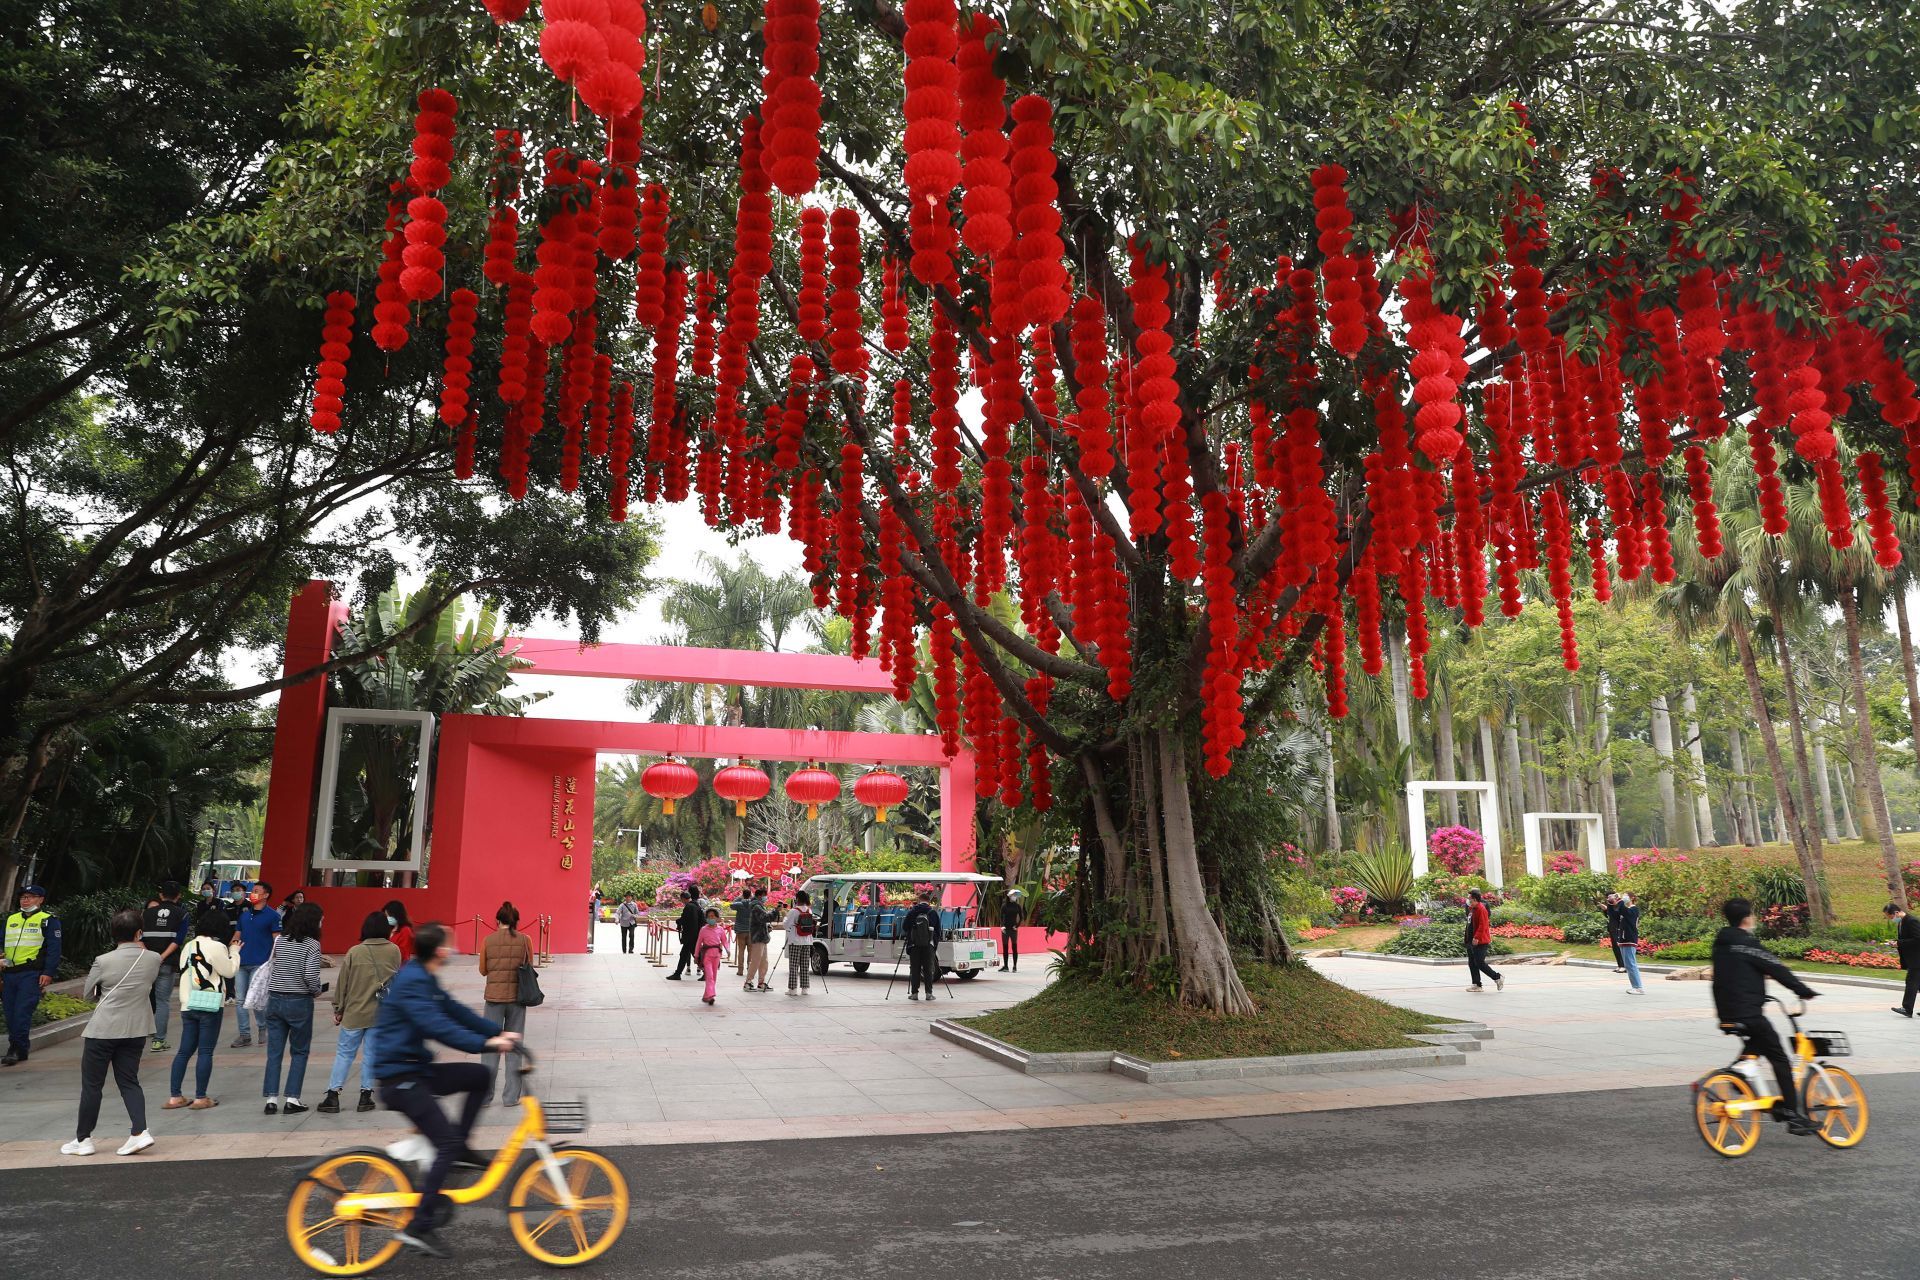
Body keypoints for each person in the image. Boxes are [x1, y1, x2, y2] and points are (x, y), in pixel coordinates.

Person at [373, 922, 518, 1259]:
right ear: (440, 951)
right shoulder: (413, 981)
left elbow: (456, 1012)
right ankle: (419, 1226)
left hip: (415, 1070)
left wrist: (497, 1032)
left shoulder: (424, 976)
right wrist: (487, 1043)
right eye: (449, 943)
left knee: (479, 1076)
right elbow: (437, 1027)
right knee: (445, 1142)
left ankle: (460, 1149)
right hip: (399, 1078)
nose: (453, 947)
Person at [1711, 897, 1819, 1135]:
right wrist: (1802, 990)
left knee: (1757, 1042)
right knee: (1779, 1056)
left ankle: (1738, 1073)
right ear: (1747, 918)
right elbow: (1776, 968)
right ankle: (1793, 1115)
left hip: (1726, 1012)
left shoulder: (1721, 943)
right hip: (1748, 1011)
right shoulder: (1748, 944)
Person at [62, 909, 160, 1157]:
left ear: (113, 934)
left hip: (103, 1030)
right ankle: (139, 1131)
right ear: (139, 933)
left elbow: (87, 994)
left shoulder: (103, 960)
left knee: (92, 1085)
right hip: (136, 1029)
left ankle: (83, 1140)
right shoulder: (154, 958)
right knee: (129, 1081)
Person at [320, 911, 402, 1114]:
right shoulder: (394, 951)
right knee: (371, 1054)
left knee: (344, 1054)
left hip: (354, 1012)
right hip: (380, 1014)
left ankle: (333, 1095)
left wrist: (338, 1008)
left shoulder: (354, 952)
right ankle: (366, 1096)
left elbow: (343, 984)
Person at [162, 906, 240, 1112]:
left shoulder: (188, 946)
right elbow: (229, 971)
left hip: (188, 1004)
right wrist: (234, 951)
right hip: (209, 1004)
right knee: (205, 1051)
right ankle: (200, 1097)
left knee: (184, 1051)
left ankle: (175, 1097)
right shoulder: (217, 946)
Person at [262, 901, 326, 1115]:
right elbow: (310, 975)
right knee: (299, 1051)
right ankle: (292, 1098)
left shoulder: (280, 940)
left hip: (275, 999)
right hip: (299, 1001)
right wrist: (316, 990)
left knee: (274, 1052)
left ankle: (271, 1099)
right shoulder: (312, 944)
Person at [478, 901, 533, 1106]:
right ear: (516, 921)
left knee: (491, 1048)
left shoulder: (488, 940)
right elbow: (529, 965)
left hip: (493, 999)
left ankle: (485, 1096)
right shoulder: (525, 940)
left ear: (497, 920)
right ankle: (510, 1097)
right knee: (514, 1048)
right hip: (517, 999)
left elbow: (483, 970)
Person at [2, 884, 61, 1066]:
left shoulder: (48, 921)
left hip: (30, 973)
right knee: (10, 1013)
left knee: (22, 1012)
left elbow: (54, 949)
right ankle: (21, 1049)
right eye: (23, 897)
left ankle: (14, 1048)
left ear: (40, 900)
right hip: (9, 973)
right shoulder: (11, 919)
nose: (25, 900)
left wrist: (48, 972)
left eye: (30, 896)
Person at [228, 882, 281, 1048]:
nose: (253, 893)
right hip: (241, 962)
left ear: (266, 895)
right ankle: (244, 1035)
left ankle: (262, 1027)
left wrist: (275, 962)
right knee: (240, 1000)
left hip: (260, 964)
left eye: (257, 891)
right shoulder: (244, 916)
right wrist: (231, 950)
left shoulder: (273, 916)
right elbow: (237, 935)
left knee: (257, 999)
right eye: (253, 891)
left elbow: (277, 941)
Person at [141, 880, 190, 1053]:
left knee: (143, 999)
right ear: (179, 896)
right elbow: (178, 940)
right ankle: (158, 1041)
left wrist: (151, 956)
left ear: (161, 895)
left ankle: (138, 1034)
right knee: (162, 1001)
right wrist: (161, 957)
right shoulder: (182, 914)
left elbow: (139, 938)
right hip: (167, 963)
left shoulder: (146, 913)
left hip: (146, 963)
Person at [902, 889, 944, 1001]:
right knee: (928, 969)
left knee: (915, 969)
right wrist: (934, 944)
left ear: (919, 900)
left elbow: (904, 927)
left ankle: (914, 994)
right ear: (928, 901)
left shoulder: (912, 912)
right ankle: (929, 994)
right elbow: (938, 931)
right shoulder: (933, 913)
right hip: (928, 946)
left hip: (914, 945)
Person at [1463, 889, 1503, 992]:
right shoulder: (1472, 909)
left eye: (1469, 898)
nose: (1468, 900)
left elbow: (1483, 925)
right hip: (1471, 940)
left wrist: (1476, 937)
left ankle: (1497, 977)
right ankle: (1477, 984)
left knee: (1479, 962)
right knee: (1472, 963)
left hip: (1480, 941)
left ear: (1475, 899)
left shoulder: (1481, 909)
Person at [1888, 902, 1920, 1018]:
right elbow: (1906, 939)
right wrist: (1896, 942)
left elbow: (1918, 939)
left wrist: (1899, 943)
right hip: (1913, 959)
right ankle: (1907, 1008)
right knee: (1917, 984)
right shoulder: (1901, 922)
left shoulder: (1912, 921)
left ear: (1896, 912)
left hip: (1917, 959)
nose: (1891, 919)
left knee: (1911, 982)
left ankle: (1907, 1008)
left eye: (1891, 917)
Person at [695, 906, 729, 1006]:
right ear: (706, 918)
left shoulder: (720, 929)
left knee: (714, 976)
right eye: (709, 916)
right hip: (707, 956)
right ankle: (711, 994)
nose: (711, 918)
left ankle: (707, 996)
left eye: (713, 916)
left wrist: (728, 950)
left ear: (717, 918)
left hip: (716, 956)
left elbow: (724, 941)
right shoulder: (703, 930)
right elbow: (698, 943)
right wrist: (696, 955)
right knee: (709, 976)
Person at [667, 889, 703, 980]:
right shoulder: (696, 905)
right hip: (694, 935)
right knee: (684, 955)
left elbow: (685, 920)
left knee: (694, 955)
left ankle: (707, 972)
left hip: (690, 936)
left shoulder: (689, 907)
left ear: (683, 898)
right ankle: (677, 973)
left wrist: (678, 921)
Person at [786, 890, 816, 995]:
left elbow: (786, 925)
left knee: (793, 966)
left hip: (795, 941)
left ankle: (793, 990)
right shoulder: (809, 910)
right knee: (804, 965)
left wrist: (785, 920)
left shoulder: (793, 911)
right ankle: (805, 989)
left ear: (797, 899)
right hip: (807, 941)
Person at [1616, 890, 1646, 995]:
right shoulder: (1625, 909)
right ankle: (1635, 986)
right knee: (1628, 965)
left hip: (1629, 939)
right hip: (1624, 940)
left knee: (1631, 964)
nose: (1624, 897)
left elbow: (1625, 912)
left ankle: (1638, 987)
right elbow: (1615, 913)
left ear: (1632, 898)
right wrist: (1612, 903)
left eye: (1626, 896)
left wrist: (1620, 900)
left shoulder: (1634, 909)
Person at [744, 887, 772, 992]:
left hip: (762, 937)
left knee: (764, 961)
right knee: (756, 960)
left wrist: (767, 927)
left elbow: (761, 921)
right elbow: (765, 917)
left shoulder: (759, 905)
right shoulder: (756, 906)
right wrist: (775, 911)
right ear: (760, 895)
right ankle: (748, 982)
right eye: (765, 895)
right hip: (758, 937)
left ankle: (761, 982)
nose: (766, 898)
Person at [731, 887, 754, 975]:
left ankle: (740, 970)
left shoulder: (739, 904)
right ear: (750, 895)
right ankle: (749, 968)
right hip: (750, 930)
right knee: (750, 951)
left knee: (741, 951)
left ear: (743, 895)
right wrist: (751, 897)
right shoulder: (753, 904)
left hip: (740, 930)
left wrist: (739, 897)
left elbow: (732, 905)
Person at [999, 889, 1022, 973]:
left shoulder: (1017, 906)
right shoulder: (1004, 906)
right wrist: (1002, 926)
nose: (1014, 897)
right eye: (1013, 895)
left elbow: (1021, 917)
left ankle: (1015, 966)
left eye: (1015, 895)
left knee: (1014, 947)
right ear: (1009, 896)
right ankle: (1006, 966)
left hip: (1013, 929)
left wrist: (1017, 926)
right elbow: (1001, 917)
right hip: (1005, 929)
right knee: (1005, 948)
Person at [1603, 892, 1627, 972]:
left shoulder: (1620, 903)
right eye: (1608, 897)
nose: (1609, 898)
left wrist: (1613, 903)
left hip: (1618, 928)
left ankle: (1623, 965)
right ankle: (1619, 965)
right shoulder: (1610, 905)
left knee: (1619, 946)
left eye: (1611, 896)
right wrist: (1605, 910)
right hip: (1612, 928)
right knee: (1615, 948)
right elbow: (1609, 916)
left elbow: (1618, 914)